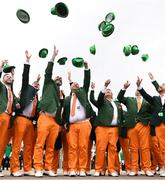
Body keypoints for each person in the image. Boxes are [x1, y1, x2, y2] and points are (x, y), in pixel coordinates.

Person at [10, 50, 40, 176]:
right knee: (17, 144)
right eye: (35, 83)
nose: (36, 85)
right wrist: (27, 61)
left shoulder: (37, 98)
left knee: (29, 146)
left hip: (30, 122)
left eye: (38, 84)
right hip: (21, 118)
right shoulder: (26, 89)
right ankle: (14, 169)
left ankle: (27, 168)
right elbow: (25, 76)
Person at [33, 45, 62, 177]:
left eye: (60, 79)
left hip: (55, 121)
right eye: (57, 78)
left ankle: (48, 167)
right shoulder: (48, 84)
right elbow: (48, 72)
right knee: (40, 143)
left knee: (51, 146)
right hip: (44, 117)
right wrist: (53, 56)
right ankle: (38, 167)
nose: (59, 79)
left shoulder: (60, 93)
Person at [62, 61, 95, 177]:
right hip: (72, 125)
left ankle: (82, 169)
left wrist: (86, 67)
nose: (75, 85)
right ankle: (72, 169)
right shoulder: (67, 99)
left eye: (77, 84)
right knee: (72, 147)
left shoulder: (83, 94)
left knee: (83, 147)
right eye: (73, 84)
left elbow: (86, 80)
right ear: (70, 86)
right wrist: (65, 122)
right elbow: (65, 112)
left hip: (84, 124)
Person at [117, 80, 154, 176]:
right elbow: (119, 98)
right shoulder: (129, 100)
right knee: (133, 148)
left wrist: (149, 120)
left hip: (144, 125)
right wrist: (124, 88)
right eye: (136, 89)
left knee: (145, 147)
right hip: (132, 125)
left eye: (139, 89)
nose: (137, 90)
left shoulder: (147, 101)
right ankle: (134, 169)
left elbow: (152, 110)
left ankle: (147, 168)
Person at [91, 79, 123, 177]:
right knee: (100, 148)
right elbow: (96, 99)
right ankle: (98, 169)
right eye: (107, 91)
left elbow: (121, 116)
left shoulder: (117, 104)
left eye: (110, 91)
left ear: (112, 94)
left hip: (114, 129)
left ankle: (111, 169)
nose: (108, 92)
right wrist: (104, 86)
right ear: (105, 94)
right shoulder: (102, 102)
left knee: (112, 149)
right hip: (102, 128)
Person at [136, 76, 165, 177]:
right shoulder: (156, 99)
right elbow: (146, 95)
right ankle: (162, 166)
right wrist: (139, 86)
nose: (160, 86)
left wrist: (154, 80)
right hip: (157, 125)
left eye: (162, 85)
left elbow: (158, 87)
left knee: (163, 147)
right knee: (158, 147)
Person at [0, 60, 18, 177]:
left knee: (1, 143)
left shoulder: (11, 91)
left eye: (10, 77)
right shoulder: (1, 87)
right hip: (0, 113)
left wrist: (16, 104)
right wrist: (1, 67)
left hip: (7, 117)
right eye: (6, 76)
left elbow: (13, 89)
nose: (9, 78)